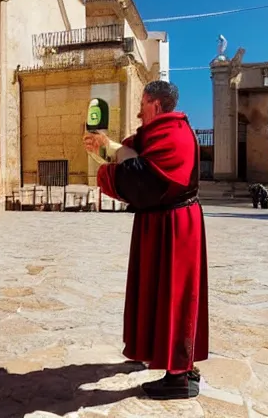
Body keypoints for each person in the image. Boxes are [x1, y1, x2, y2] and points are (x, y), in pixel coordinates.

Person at [83, 81, 209, 400]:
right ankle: (176, 361)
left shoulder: (175, 134)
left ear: (154, 104)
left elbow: (144, 178)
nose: (138, 111)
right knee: (159, 295)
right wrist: (104, 146)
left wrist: (107, 173)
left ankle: (180, 376)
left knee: (177, 296)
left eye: (142, 103)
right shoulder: (155, 132)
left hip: (175, 229)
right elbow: (128, 150)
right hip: (161, 224)